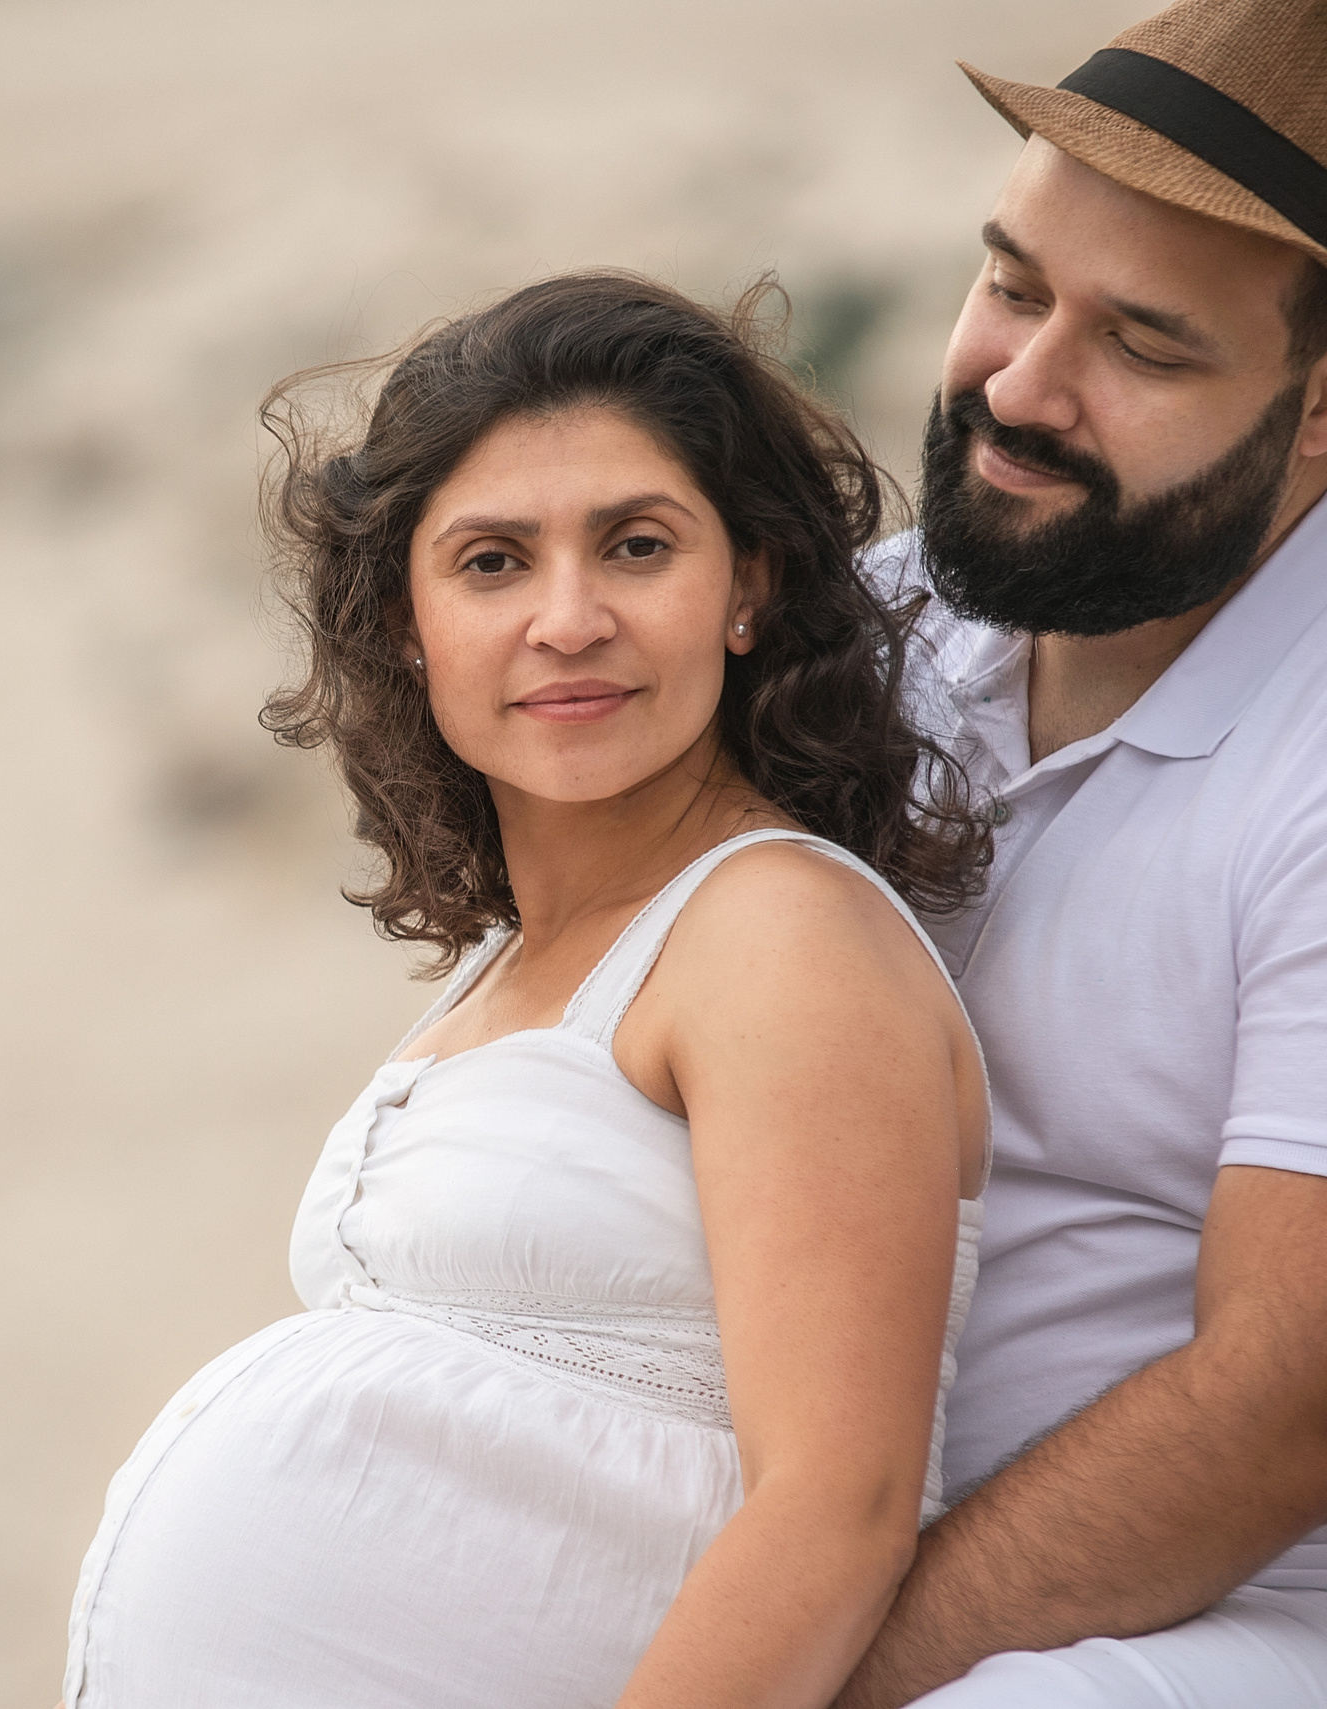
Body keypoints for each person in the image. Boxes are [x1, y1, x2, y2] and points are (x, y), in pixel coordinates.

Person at [62, 273, 994, 1707]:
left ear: (746, 583)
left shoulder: (778, 936)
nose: (568, 618)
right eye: (493, 561)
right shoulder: (515, 963)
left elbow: (838, 1512)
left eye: (634, 545)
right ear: (404, 621)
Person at [832, 2, 1327, 1705]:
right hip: (855, 1540)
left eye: (1141, 348)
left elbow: (1290, 1419)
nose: (1018, 387)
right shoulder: (887, 615)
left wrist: (809, 1680)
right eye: (1011, 284)